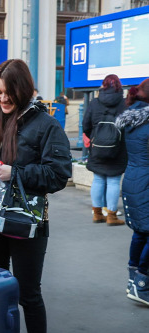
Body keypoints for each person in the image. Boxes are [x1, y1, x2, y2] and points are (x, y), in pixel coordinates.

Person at [0, 59, 71, 333]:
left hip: (27, 221)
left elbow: (59, 174)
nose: (2, 98)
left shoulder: (46, 125)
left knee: (28, 295)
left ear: (24, 89)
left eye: (8, 93)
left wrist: (14, 173)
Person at [115, 78, 149, 306]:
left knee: (141, 231)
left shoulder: (131, 117)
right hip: (146, 181)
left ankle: (133, 279)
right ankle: (142, 284)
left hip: (133, 179)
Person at [82, 74, 126, 226]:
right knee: (113, 181)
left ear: (103, 86)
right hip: (117, 149)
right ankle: (112, 216)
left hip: (97, 148)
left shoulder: (94, 103)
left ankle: (97, 214)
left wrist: (94, 137)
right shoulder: (124, 103)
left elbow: (85, 125)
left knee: (98, 179)